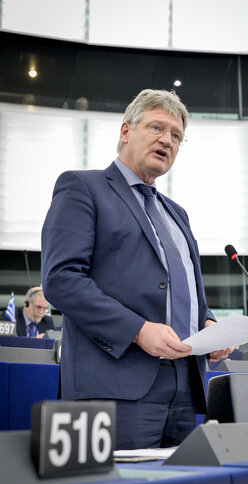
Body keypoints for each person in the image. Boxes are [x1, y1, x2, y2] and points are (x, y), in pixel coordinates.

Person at [41, 89, 233, 449]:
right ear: (126, 131)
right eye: (157, 127)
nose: (167, 140)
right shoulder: (82, 187)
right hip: (115, 388)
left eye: (176, 136)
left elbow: (189, 294)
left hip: (185, 391)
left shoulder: (178, 214)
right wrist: (138, 330)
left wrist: (207, 326)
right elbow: (61, 280)